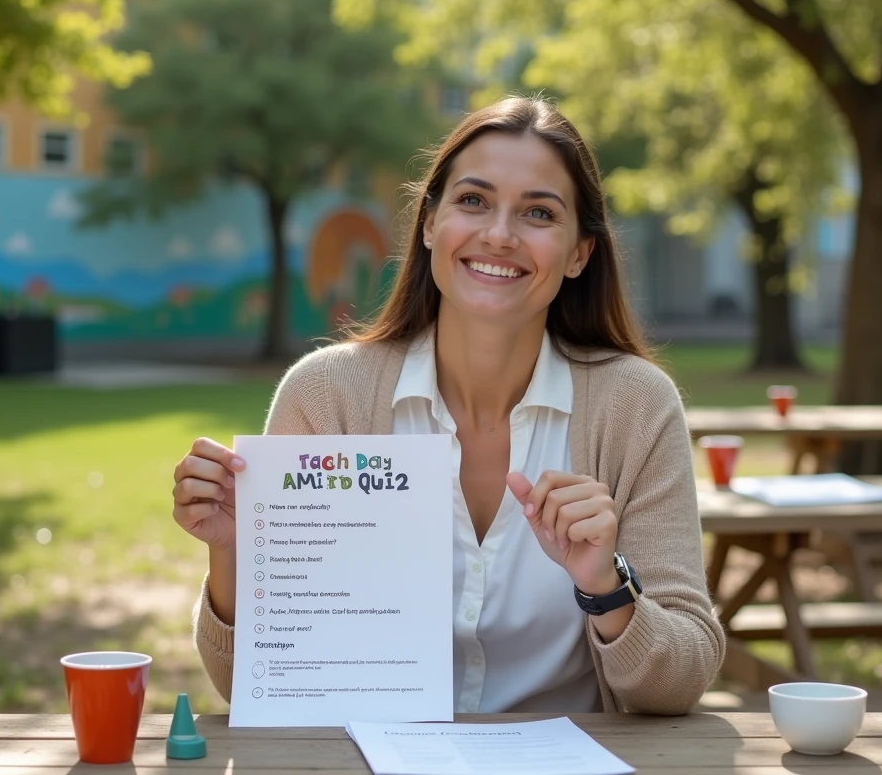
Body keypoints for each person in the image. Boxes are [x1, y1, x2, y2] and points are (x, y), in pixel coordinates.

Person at [172, 96, 724, 716]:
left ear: (579, 254)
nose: (499, 234)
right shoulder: (324, 396)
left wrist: (605, 586)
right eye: (472, 201)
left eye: (539, 212)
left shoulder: (635, 407)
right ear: (430, 223)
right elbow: (247, 682)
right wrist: (232, 549)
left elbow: (681, 681)